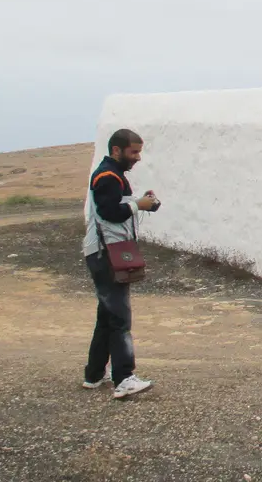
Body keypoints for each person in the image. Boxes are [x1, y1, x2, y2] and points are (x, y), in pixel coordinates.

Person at [82, 128, 158, 399]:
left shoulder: (114, 176)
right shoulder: (107, 176)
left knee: (107, 315)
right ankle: (124, 378)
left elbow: (119, 207)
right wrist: (139, 205)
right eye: (133, 151)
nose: (137, 157)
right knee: (119, 318)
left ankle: (93, 375)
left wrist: (142, 203)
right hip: (107, 254)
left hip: (106, 253)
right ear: (117, 150)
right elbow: (111, 212)